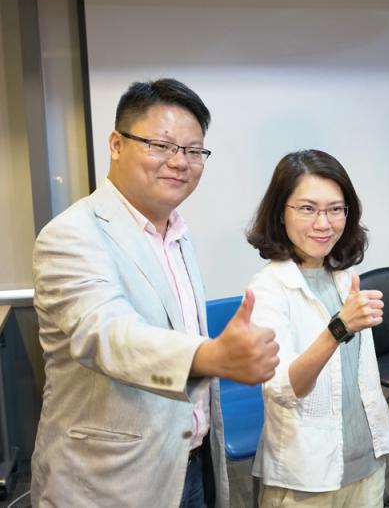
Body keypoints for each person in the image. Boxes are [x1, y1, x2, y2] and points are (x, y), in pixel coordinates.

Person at [31, 78, 280, 508]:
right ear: (116, 144)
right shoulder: (71, 235)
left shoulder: (177, 233)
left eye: (193, 150)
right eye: (161, 145)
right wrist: (209, 356)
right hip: (113, 479)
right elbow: (106, 335)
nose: (180, 162)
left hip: (189, 460)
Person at [245, 149, 389, 507]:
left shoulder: (344, 277)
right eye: (308, 209)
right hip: (307, 474)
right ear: (280, 213)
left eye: (335, 209)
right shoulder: (267, 288)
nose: (323, 224)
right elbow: (285, 389)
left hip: (367, 459)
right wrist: (338, 328)